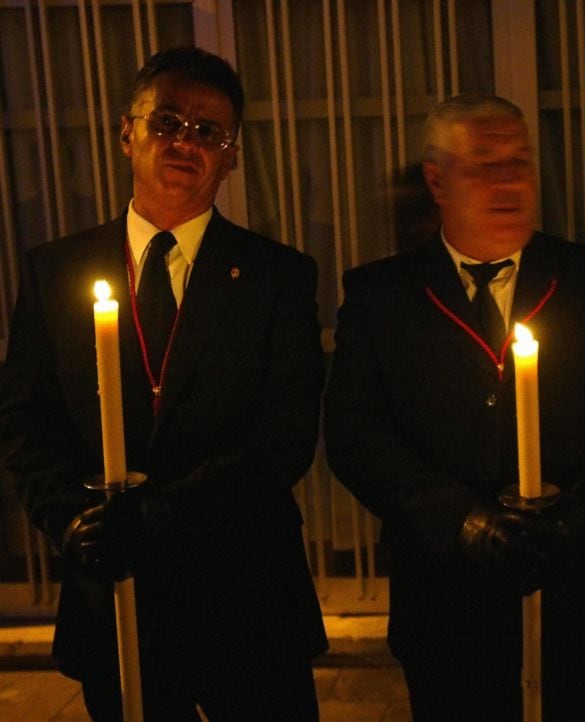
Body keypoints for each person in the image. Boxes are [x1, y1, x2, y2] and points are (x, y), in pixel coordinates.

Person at [323, 93, 585, 721]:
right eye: (485, 164)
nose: (509, 180)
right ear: (437, 180)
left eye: (520, 162)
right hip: (448, 599)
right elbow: (356, 436)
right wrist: (461, 520)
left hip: (579, 597)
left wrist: (579, 514)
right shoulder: (384, 297)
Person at [0, 47, 327, 720]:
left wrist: (165, 512)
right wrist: (69, 517)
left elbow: (285, 436)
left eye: (209, 131)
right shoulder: (54, 272)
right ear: (127, 132)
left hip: (247, 595)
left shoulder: (277, 278)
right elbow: (24, 418)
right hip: (113, 590)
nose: (186, 141)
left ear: (231, 155)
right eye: (167, 120)